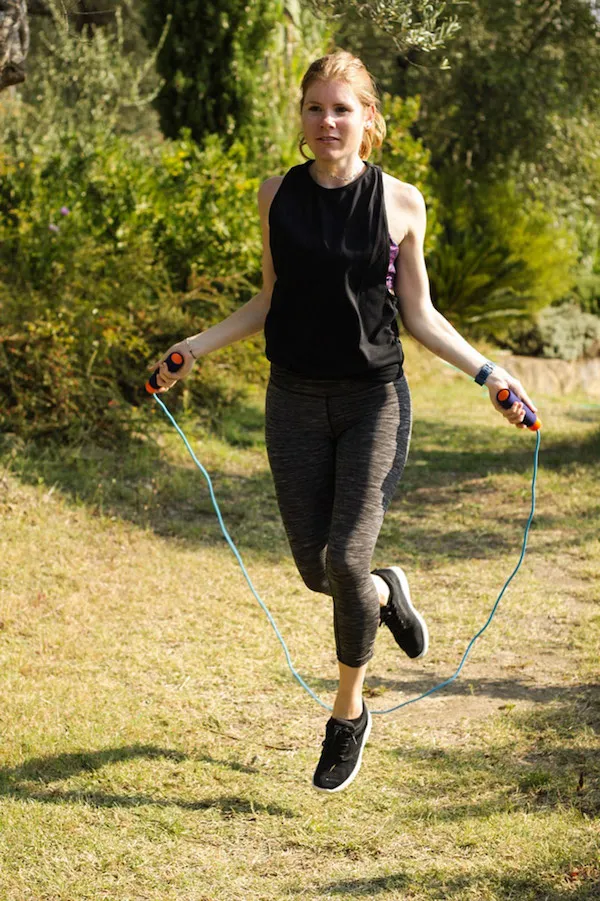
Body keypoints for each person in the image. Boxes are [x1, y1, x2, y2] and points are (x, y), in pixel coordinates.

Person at [150, 50, 537, 794]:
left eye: (342, 109)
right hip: (292, 401)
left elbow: (420, 314)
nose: (327, 122)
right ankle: (387, 593)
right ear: (301, 117)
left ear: (368, 119)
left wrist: (489, 373)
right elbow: (269, 299)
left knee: (345, 558)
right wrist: (192, 347)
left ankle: (347, 714)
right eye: (315, 108)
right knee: (317, 569)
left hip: (373, 401)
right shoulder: (275, 195)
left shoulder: (401, 202)